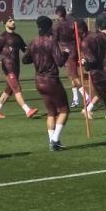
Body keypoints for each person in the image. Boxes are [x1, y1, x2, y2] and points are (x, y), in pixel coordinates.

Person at [23, 15, 71, 151]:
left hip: (39, 81)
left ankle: (52, 141)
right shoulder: (51, 42)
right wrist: (66, 53)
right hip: (51, 80)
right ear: (49, 27)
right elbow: (60, 62)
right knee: (64, 110)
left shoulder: (33, 42)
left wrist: (37, 56)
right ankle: (55, 140)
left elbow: (25, 60)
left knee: (51, 112)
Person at [0, 17, 38, 120]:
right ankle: (27, 110)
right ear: (5, 23)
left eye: (13, 20)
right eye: (10, 21)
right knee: (17, 88)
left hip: (16, 68)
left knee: (9, 90)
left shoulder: (17, 37)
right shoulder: (2, 37)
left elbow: (25, 49)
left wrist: (34, 48)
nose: (13, 22)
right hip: (7, 68)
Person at [53, 6, 86, 108]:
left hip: (67, 52)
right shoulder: (72, 22)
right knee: (71, 75)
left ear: (58, 14)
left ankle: (87, 97)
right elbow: (79, 36)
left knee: (74, 75)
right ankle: (75, 99)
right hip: (74, 49)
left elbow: (54, 40)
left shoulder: (57, 25)